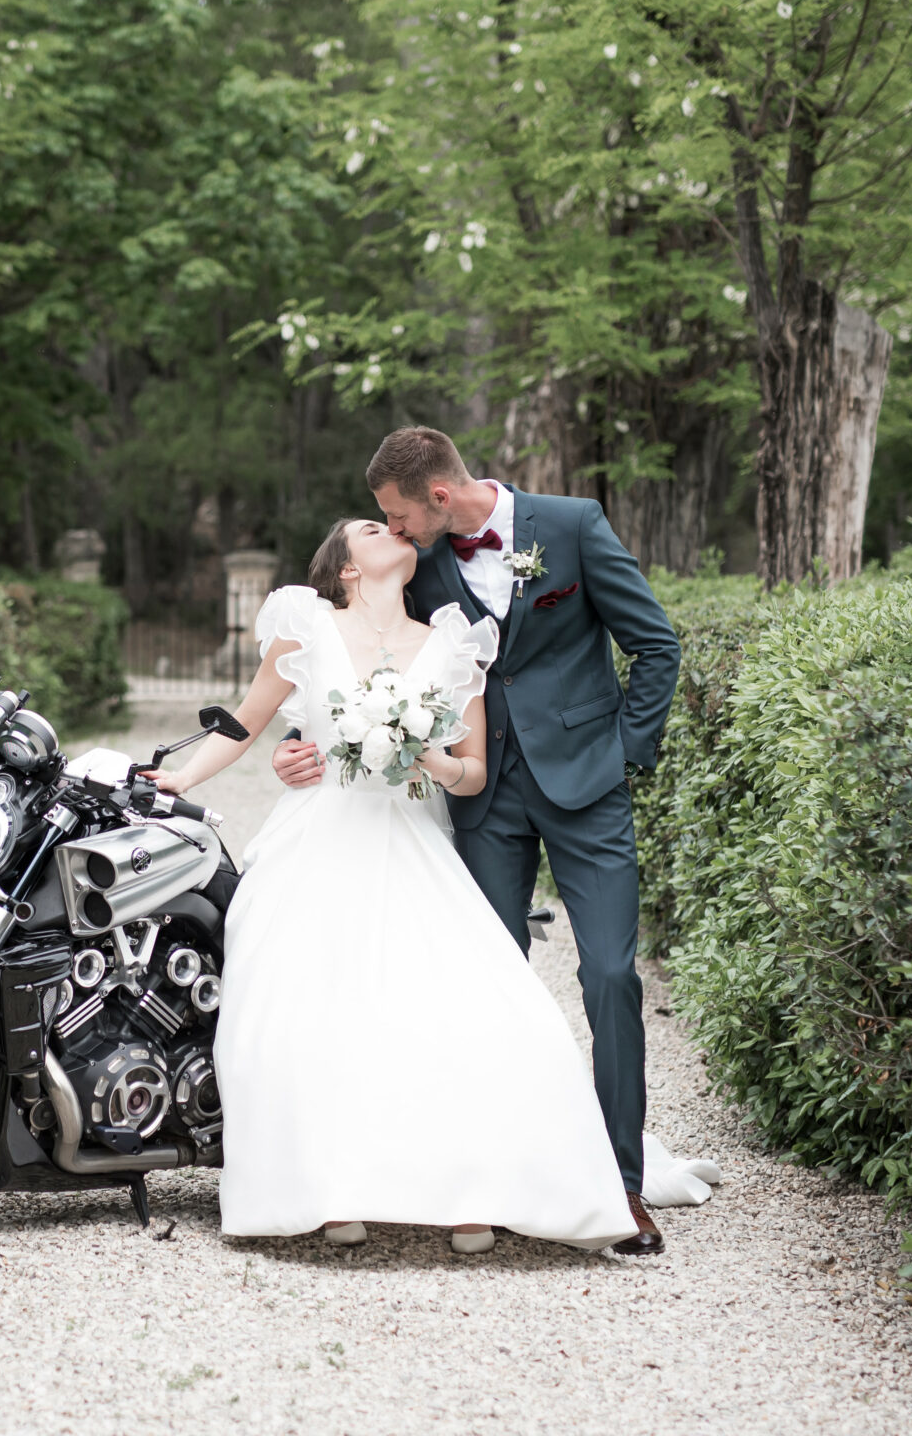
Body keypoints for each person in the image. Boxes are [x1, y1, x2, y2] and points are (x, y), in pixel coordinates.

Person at [151, 517, 640, 1253]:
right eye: (371, 527)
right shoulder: (304, 626)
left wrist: (432, 764)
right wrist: (179, 778)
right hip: (319, 836)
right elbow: (247, 725)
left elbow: (471, 768)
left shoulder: (453, 642)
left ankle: (476, 1188)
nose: (394, 531)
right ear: (346, 567)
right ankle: (332, 1184)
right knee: (312, 1008)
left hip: (412, 834)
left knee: (458, 1006)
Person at [271, 427, 684, 1254]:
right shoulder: (421, 564)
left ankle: (622, 1183)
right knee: (485, 987)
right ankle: (491, 1178)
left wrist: (621, 755)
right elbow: (364, 649)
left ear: (436, 496)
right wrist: (297, 738)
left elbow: (655, 643)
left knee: (609, 975)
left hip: (586, 789)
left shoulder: (572, 526)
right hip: (480, 798)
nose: (395, 532)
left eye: (397, 514)